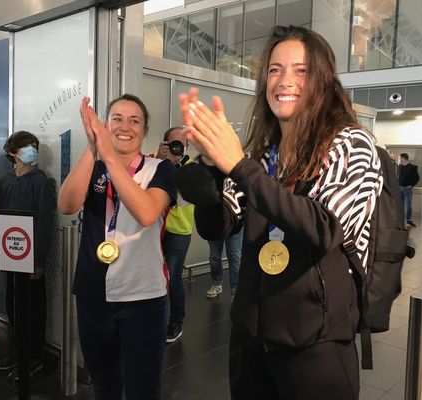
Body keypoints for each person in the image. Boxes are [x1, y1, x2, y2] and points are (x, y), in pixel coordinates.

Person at [177, 25, 382, 399]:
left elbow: (325, 227)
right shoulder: (263, 153)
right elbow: (221, 224)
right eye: (274, 69)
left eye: (301, 70)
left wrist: (238, 165)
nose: (285, 80)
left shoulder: (351, 143)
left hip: (316, 342)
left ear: (323, 80)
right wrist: (209, 174)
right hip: (251, 338)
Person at [59, 95, 176, 400]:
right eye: (117, 119)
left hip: (143, 297)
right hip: (93, 293)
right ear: (105, 125)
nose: (125, 126)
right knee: (105, 385)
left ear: (145, 130)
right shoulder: (93, 165)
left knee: (143, 388)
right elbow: (67, 205)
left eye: (134, 120)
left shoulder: (160, 169)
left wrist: (110, 157)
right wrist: (92, 147)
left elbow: (148, 213)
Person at [0, 131, 56, 381]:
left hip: (32, 257)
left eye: (35, 146)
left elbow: (44, 222)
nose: (32, 150)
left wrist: (38, 260)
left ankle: (33, 357)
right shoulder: (6, 181)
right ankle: (16, 352)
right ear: (12, 152)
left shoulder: (40, 181)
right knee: (13, 304)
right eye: (27, 146)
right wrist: (1, 256)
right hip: (11, 255)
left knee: (33, 307)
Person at [155, 127, 195, 343]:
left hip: (179, 231)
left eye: (181, 144)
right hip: (155, 229)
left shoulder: (191, 169)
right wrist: (161, 161)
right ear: (165, 144)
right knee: (156, 277)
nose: (178, 148)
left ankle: (176, 322)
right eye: (173, 144)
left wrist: (172, 167)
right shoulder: (156, 163)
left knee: (174, 277)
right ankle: (156, 320)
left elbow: (184, 197)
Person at [205, 227, 242, 300]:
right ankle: (217, 283)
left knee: (235, 257)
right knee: (214, 256)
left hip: (235, 224)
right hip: (215, 225)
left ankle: (236, 291)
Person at [398, 152, 419, 227]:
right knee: (400, 205)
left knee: (408, 205)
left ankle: (408, 220)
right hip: (400, 188)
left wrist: (412, 185)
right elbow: (398, 176)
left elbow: (417, 177)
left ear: (404, 158)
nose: (400, 159)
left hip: (408, 189)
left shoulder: (412, 167)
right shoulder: (399, 166)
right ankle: (400, 219)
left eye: (400, 158)